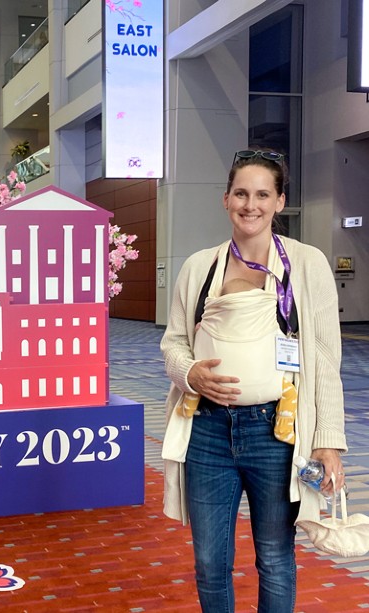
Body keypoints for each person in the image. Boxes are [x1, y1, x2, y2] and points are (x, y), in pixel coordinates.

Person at [160, 149, 347, 613]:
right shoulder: (199, 267)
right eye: (241, 193)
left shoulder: (307, 264)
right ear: (226, 200)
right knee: (209, 561)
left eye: (263, 194)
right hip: (207, 432)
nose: (251, 204)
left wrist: (328, 443)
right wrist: (189, 373)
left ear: (280, 201)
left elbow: (324, 357)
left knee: (276, 557)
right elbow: (173, 343)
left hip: (277, 434)